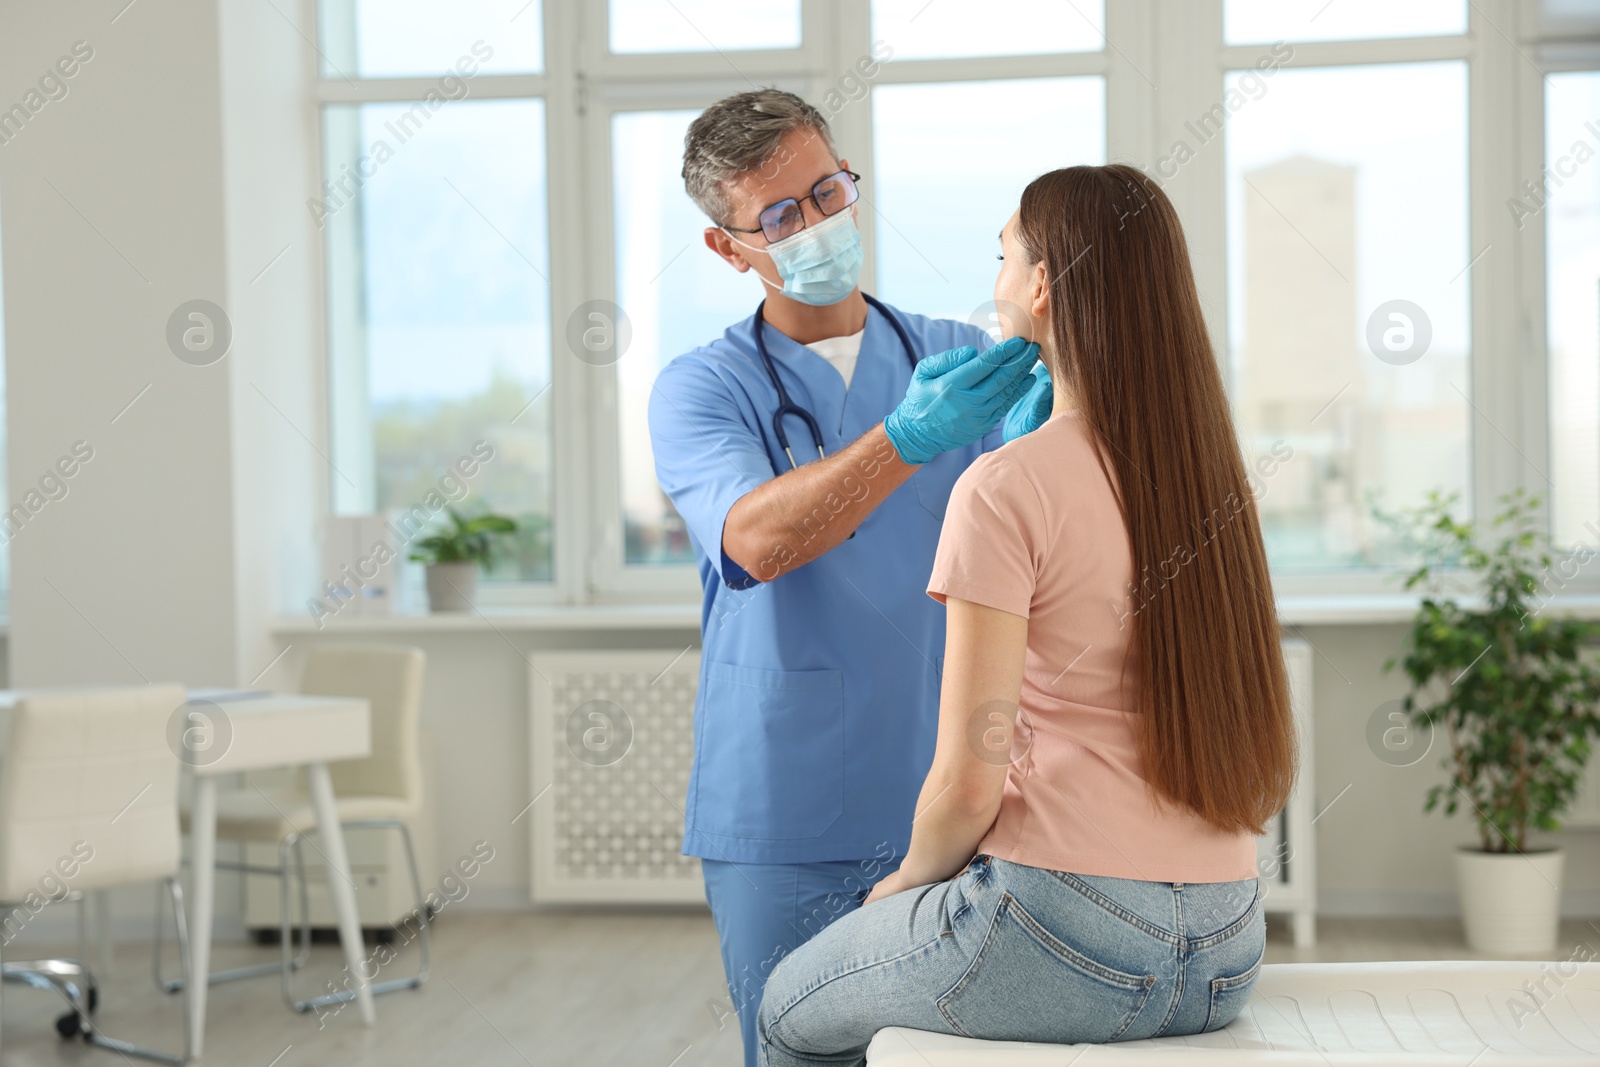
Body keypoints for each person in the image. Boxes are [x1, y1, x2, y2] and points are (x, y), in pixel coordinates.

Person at [754, 164, 1300, 1066]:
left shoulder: (1004, 486)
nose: (998, 279)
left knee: (786, 1006)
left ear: (1042, 286)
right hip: (1227, 943)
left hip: (1063, 932)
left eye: (1003, 255)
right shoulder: (1211, 479)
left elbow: (971, 775)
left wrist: (902, 888)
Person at [647, 89, 1051, 1067]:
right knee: (793, 1048)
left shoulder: (956, 358)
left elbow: (1047, 535)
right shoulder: (702, 388)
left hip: (955, 790)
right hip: (785, 807)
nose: (819, 223)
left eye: (827, 191)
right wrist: (907, 438)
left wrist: (1052, 437)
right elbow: (754, 539)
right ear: (727, 247)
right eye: (781, 215)